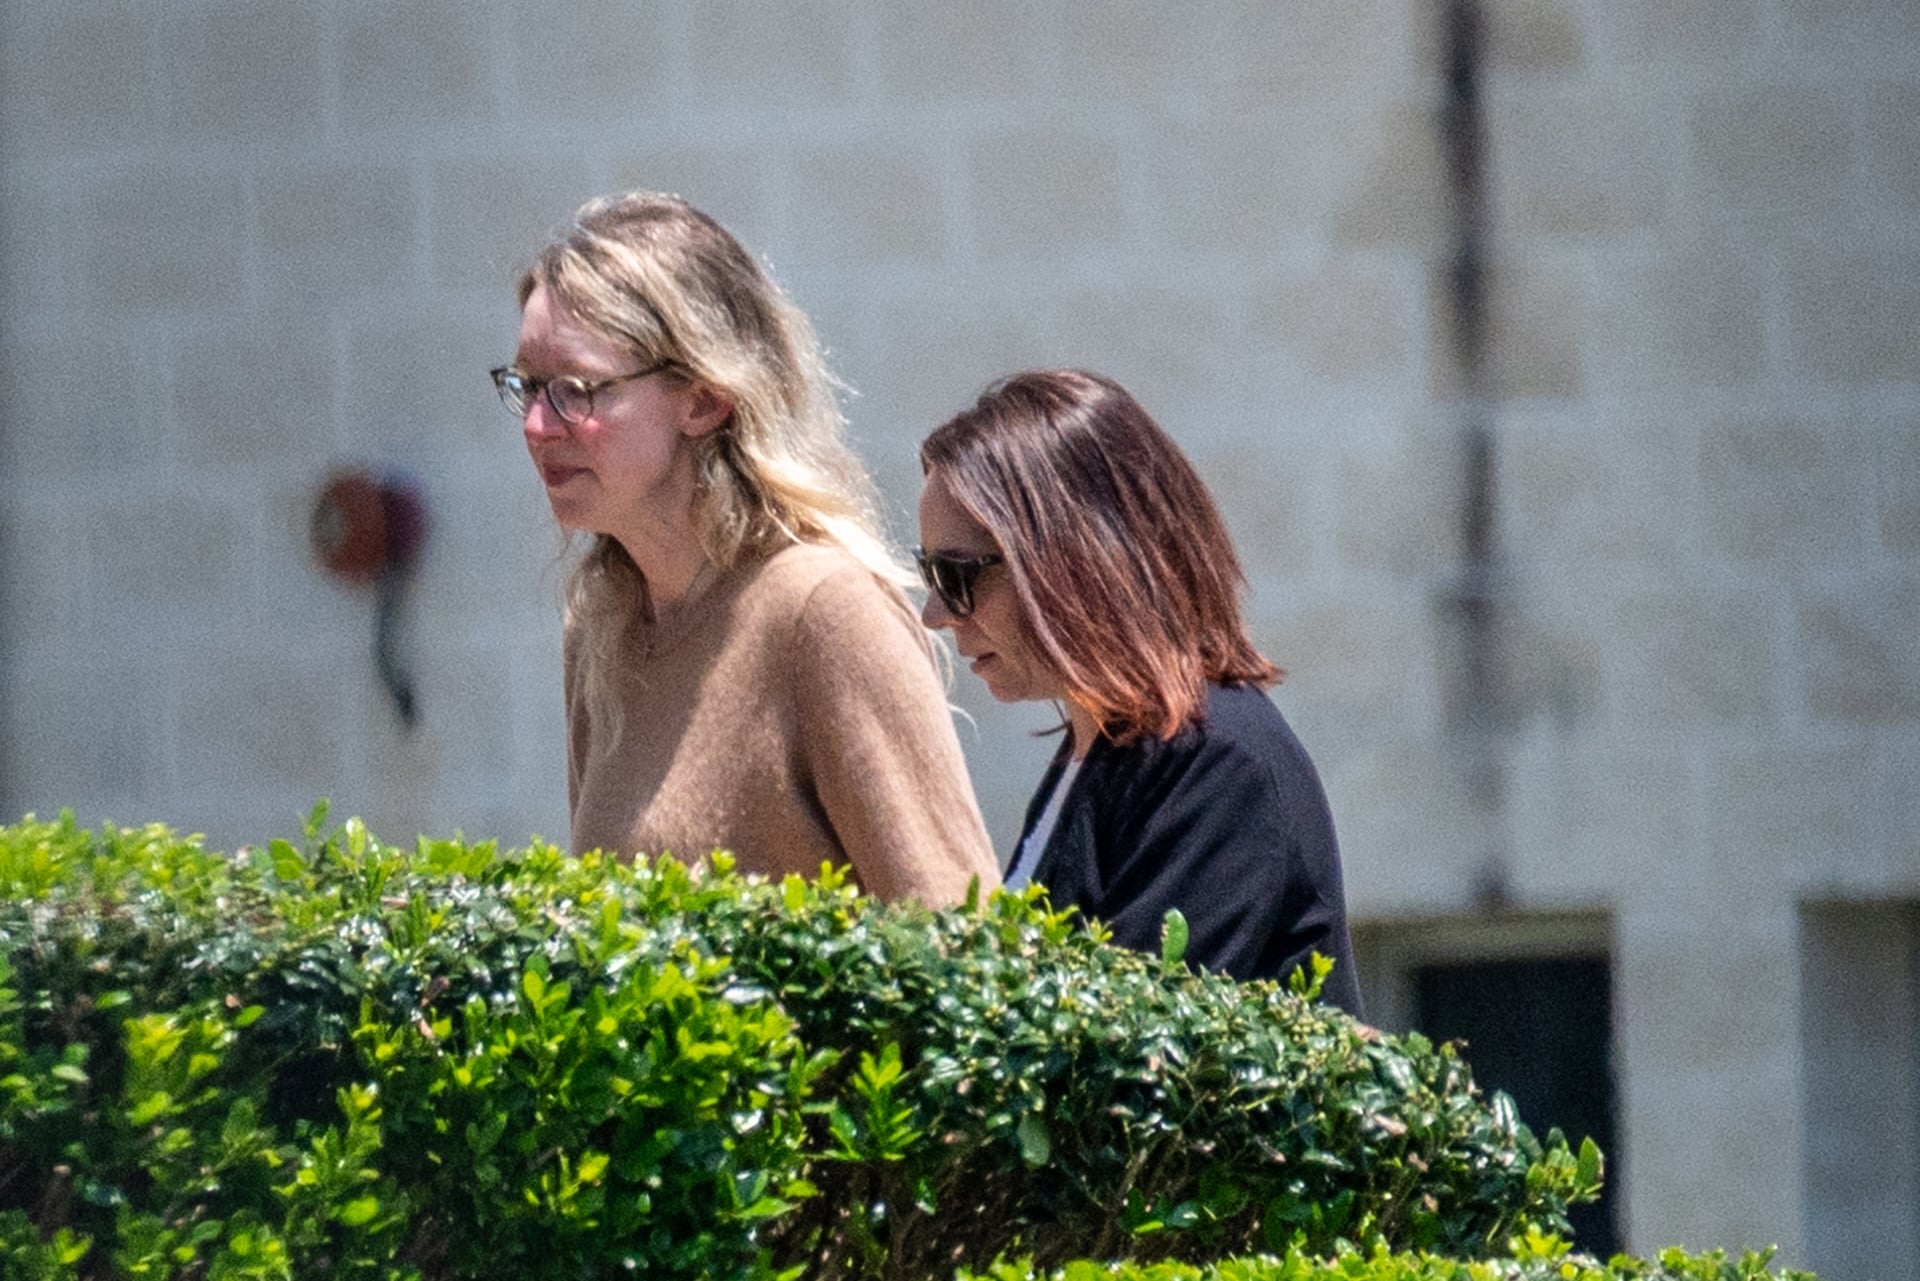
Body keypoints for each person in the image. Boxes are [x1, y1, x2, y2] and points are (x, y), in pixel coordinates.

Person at [494, 191, 997, 904]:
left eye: (577, 389)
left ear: (704, 399)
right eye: (527, 385)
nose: (539, 425)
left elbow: (963, 946)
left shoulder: (823, 613)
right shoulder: (603, 626)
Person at [916, 369, 1361, 1009]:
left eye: (955, 575)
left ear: (1074, 560)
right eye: (927, 571)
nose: (936, 612)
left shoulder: (1215, 762)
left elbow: (1126, 1067)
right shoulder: (1106, 755)